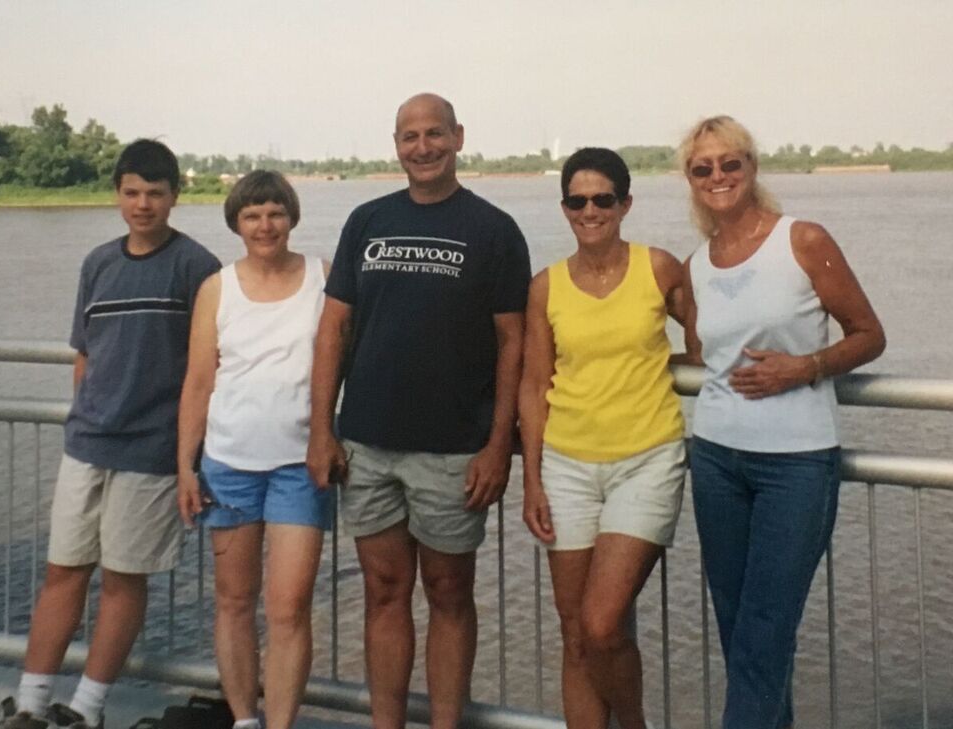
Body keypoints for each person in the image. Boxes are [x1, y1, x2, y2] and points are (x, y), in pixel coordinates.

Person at [306, 92, 531, 729]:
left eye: (435, 133)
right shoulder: (367, 221)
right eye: (411, 136)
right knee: (383, 592)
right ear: (396, 144)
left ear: (458, 137)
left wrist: (498, 445)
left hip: (454, 450)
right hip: (367, 445)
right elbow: (334, 329)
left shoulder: (494, 229)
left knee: (450, 593)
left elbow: (513, 343)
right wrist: (321, 429)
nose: (423, 147)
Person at [0, 140, 220, 729]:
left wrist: (186, 454)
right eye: (132, 192)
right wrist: (84, 414)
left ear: (175, 196)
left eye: (155, 193)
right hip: (87, 445)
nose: (143, 204)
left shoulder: (197, 267)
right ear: (117, 194)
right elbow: (84, 354)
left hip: (151, 451)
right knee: (62, 571)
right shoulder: (97, 263)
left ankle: (86, 708)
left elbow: (208, 367)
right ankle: (30, 703)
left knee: (123, 579)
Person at [676, 115, 886, 729]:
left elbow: (869, 334)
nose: (718, 176)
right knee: (739, 629)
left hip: (796, 465)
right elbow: (703, 354)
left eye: (729, 163)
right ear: (691, 179)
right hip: (715, 458)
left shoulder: (803, 240)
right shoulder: (697, 264)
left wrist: (806, 367)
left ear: (751, 166)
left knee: (765, 632)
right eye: (703, 168)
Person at [519, 147, 688, 729]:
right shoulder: (545, 287)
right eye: (577, 201)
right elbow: (534, 384)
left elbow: (709, 337)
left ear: (625, 203)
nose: (589, 211)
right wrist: (532, 479)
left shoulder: (659, 268)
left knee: (601, 623)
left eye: (602, 199)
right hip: (566, 466)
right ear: (565, 207)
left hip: (647, 460)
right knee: (575, 634)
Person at [177, 170, 332, 729]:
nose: (265, 225)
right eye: (252, 215)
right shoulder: (217, 288)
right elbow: (199, 381)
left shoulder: (323, 278)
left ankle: (281, 723)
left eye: (275, 213)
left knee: (289, 609)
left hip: (301, 466)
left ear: (291, 217)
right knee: (234, 601)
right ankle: (244, 719)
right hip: (229, 464)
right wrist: (185, 466)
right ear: (236, 223)